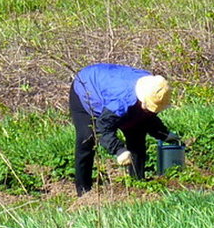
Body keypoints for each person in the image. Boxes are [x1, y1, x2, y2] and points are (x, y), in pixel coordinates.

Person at [69, 63, 180, 195]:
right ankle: (84, 191)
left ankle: (137, 183)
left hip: (112, 91)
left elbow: (147, 118)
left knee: (137, 131)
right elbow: (103, 126)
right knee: (87, 138)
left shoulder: (155, 87)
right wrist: (119, 150)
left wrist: (164, 134)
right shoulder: (121, 100)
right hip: (86, 89)